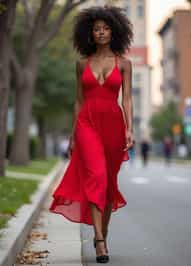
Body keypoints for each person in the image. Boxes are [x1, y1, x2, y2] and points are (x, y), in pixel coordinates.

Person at [49, 6, 134, 263]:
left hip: (113, 125)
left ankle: (103, 233)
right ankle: (98, 239)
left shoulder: (124, 63)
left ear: (114, 31)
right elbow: (78, 100)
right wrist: (74, 135)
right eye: (97, 29)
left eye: (106, 28)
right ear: (90, 33)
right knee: (95, 175)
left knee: (107, 184)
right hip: (87, 122)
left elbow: (127, 99)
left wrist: (130, 128)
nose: (101, 32)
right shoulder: (81, 64)